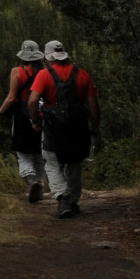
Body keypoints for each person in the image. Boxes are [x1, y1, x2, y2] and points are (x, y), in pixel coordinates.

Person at [29, 40, 100, 218]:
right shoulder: (83, 75)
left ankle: (62, 197)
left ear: (48, 57)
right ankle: (73, 201)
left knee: (51, 161)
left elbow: (32, 101)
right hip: (78, 127)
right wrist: (95, 128)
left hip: (54, 128)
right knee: (75, 163)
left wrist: (35, 120)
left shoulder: (44, 75)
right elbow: (93, 105)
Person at [0, 40, 48, 202]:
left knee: (22, 154)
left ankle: (31, 181)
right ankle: (39, 185)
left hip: (22, 117)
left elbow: (11, 97)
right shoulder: (44, 72)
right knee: (38, 153)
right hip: (38, 115)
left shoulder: (17, 71)